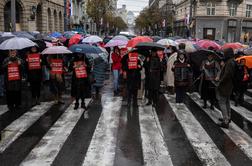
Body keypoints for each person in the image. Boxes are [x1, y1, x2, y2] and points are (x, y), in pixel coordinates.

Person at [217, 48, 236, 129]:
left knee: (222, 102)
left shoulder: (229, 62)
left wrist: (220, 81)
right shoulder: (231, 61)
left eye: (225, 53)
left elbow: (227, 75)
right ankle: (228, 117)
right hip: (229, 85)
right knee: (227, 102)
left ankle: (225, 121)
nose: (224, 54)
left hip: (225, 85)